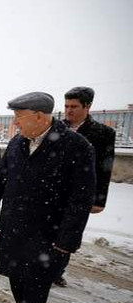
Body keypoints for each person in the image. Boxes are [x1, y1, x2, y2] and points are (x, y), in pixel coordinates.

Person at [0, 92, 96, 303]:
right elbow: (1, 177)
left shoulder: (76, 146)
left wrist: (68, 239)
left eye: (19, 118)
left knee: (37, 279)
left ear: (40, 116)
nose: (16, 124)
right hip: (14, 224)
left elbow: (81, 199)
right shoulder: (16, 143)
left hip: (47, 229)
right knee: (14, 274)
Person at [52, 87, 116, 287]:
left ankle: (57, 271)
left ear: (87, 107)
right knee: (48, 230)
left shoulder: (103, 134)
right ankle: (42, 266)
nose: (69, 110)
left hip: (79, 193)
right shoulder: (55, 128)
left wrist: (99, 200)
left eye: (74, 106)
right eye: (66, 106)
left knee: (69, 231)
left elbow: (104, 168)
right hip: (51, 191)